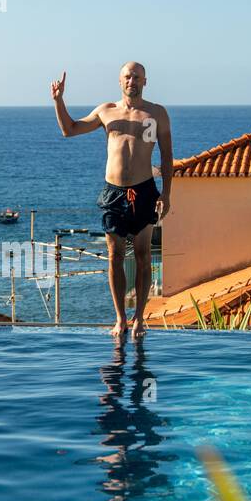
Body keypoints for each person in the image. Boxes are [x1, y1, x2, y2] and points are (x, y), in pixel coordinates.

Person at [52, 61, 173, 338]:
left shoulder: (157, 114)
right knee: (114, 256)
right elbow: (69, 129)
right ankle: (120, 319)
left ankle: (140, 319)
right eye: (128, 77)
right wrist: (59, 101)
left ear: (145, 82)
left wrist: (167, 194)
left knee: (143, 256)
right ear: (120, 81)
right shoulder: (106, 111)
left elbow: (167, 157)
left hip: (144, 191)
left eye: (137, 77)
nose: (132, 81)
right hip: (113, 193)